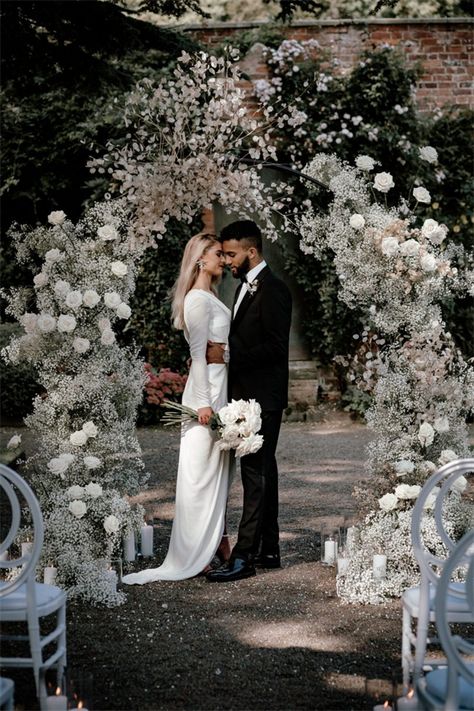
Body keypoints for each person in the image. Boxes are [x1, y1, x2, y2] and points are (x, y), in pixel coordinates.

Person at [122, 233, 232, 584]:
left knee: (214, 475)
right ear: (201, 259)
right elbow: (198, 356)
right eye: (218, 254)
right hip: (206, 394)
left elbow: (216, 351)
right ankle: (196, 554)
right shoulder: (197, 300)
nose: (223, 260)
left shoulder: (209, 296)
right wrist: (204, 403)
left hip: (219, 386)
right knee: (199, 477)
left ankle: (217, 544)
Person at [206, 220, 292, 583]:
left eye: (231, 253)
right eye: (222, 254)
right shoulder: (244, 287)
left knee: (254, 476)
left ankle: (244, 557)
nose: (226, 260)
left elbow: (275, 347)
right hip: (248, 395)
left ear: (251, 251)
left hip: (263, 398)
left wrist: (228, 355)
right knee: (263, 471)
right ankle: (268, 549)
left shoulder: (273, 289)